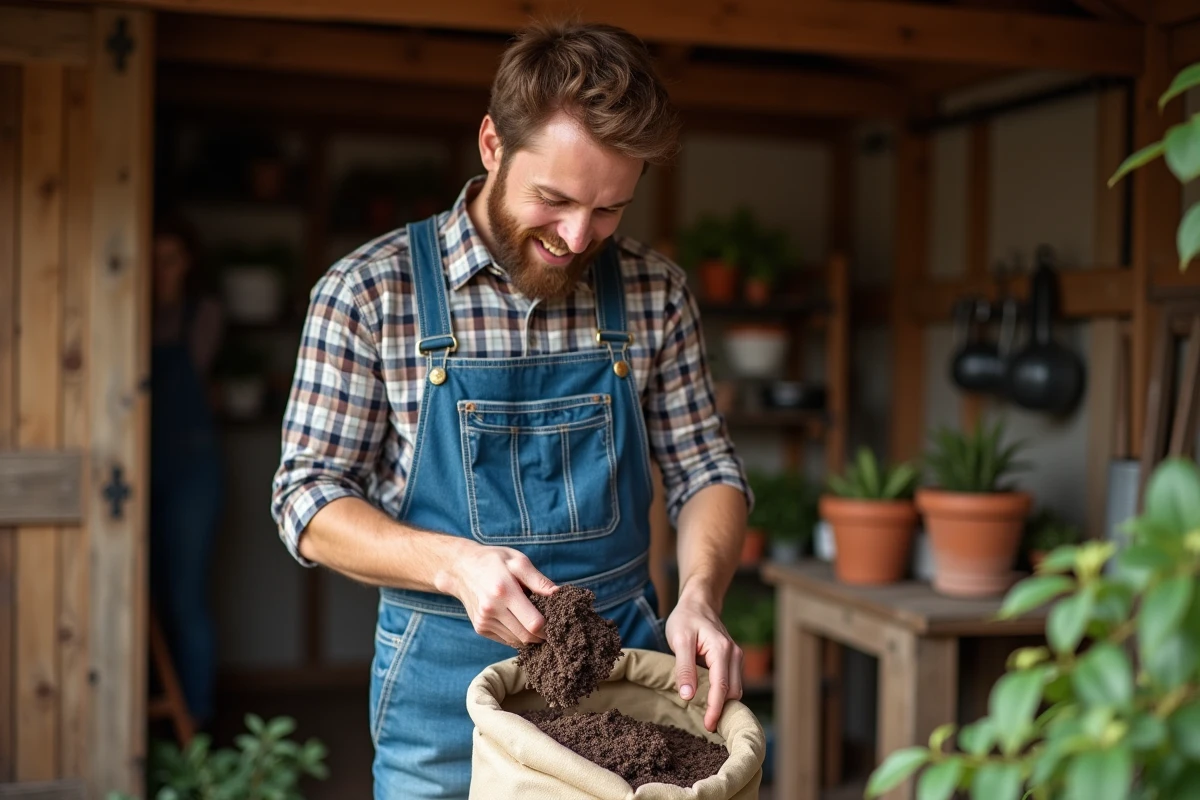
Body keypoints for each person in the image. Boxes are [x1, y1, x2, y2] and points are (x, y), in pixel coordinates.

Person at [270, 19, 752, 798]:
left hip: (622, 675)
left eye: (608, 210)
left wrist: (700, 594)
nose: (575, 236)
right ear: (493, 145)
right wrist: (453, 565)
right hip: (439, 692)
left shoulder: (656, 293)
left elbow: (706, 469)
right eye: (555, 200)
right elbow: (305, 499)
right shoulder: (368, 294)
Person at [150, 214, 225, 729]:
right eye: (152, 260)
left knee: (185, 598)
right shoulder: (122, 311)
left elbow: (196, 374)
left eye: (170, 260)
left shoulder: (202, 314)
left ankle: (193, 725)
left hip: (191, 467)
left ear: (187, 264)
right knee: (139, 589)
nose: (160, 271)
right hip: (135, 468)